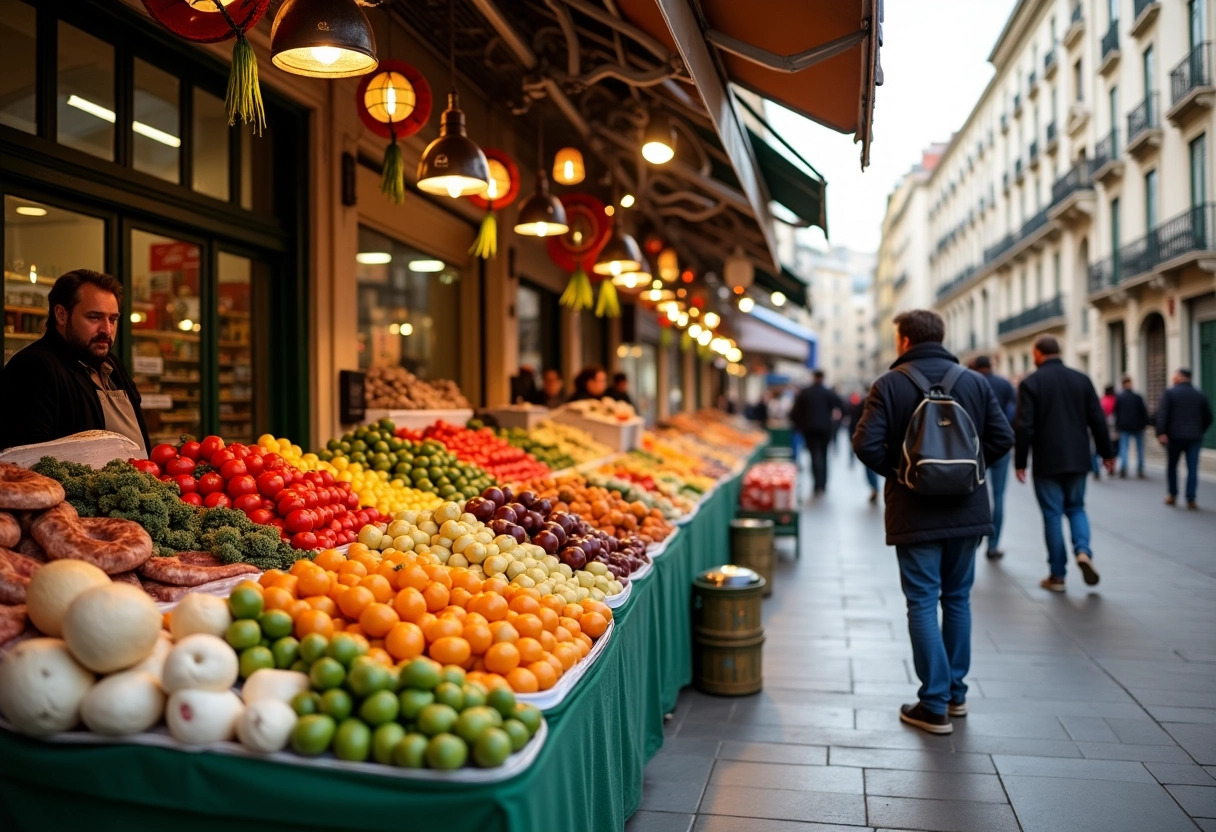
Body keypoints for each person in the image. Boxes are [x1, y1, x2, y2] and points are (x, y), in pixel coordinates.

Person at [853, 310, 1013, 735]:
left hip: (915, 511)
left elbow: (865, 443)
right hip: (968, 510)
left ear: (904, 340)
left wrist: (905, 472)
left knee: (922, 600)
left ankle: (933, 703)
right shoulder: (974, 382)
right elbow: (1003, 438)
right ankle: (956, 695)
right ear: (940, 337)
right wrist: (967, 473)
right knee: (957, 598)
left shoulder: (889, 384)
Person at [0, 269, 151, 456]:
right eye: (94, 317)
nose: (107, 329)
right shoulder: (33, 367)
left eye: (112, 319)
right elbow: (26, 460)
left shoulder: (113, 365)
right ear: (61, 315)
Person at [1014, 336, 1115, 593]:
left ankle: (1057, 575)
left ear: (1037, 353)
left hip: (1047, 460)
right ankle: (1083, 551)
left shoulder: (1031, 383)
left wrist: (1020, 460)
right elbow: (1097, 420)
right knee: (1077, 507)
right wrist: (1107, 453)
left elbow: (1024, 426)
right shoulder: (1081, 379)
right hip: (1079, 458)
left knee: (1052, 515)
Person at [970, 355, 1016, 560]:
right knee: (999, 496)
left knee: (973, 494)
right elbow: (1012, 414)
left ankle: (973, 540)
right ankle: (993, 545)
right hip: (999, 447)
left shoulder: (969, 383)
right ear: (991, 366)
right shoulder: (1004, 385)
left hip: (974, 449)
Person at [1156, 368, 1214, 509]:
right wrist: (1199, 430)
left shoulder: (1169, 393)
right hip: (1194, 437)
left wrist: (1161, 432)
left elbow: (1163, 414)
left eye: (1174, 375)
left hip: (1174, 437)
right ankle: (1191, 498)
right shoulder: (1199, 394)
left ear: (1180, 377)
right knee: (1192, 468)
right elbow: (1209, 417)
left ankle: (1172, 494)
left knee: (1172, 466)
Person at [791, 370, 842, 495]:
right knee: (824, 456)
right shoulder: (828, 392)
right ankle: (823, 484)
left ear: (813, 377)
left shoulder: (805, 392)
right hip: (825, 429)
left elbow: (794, 413)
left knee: (813, 456)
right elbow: (841, 407)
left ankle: (816, 484)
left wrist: (800, 425)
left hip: (810, 429)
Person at [1114, 375, 1149, 479]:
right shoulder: (1137, 397)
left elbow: (1117, 412)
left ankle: (1124, 467)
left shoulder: (1120, 397)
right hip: (1137, 426)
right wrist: (1144, 424)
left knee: (1124, 448)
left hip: (1124, 426)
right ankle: (1140, 469)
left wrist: (1117, 425)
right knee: (1139, 448)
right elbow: (1143, 412)